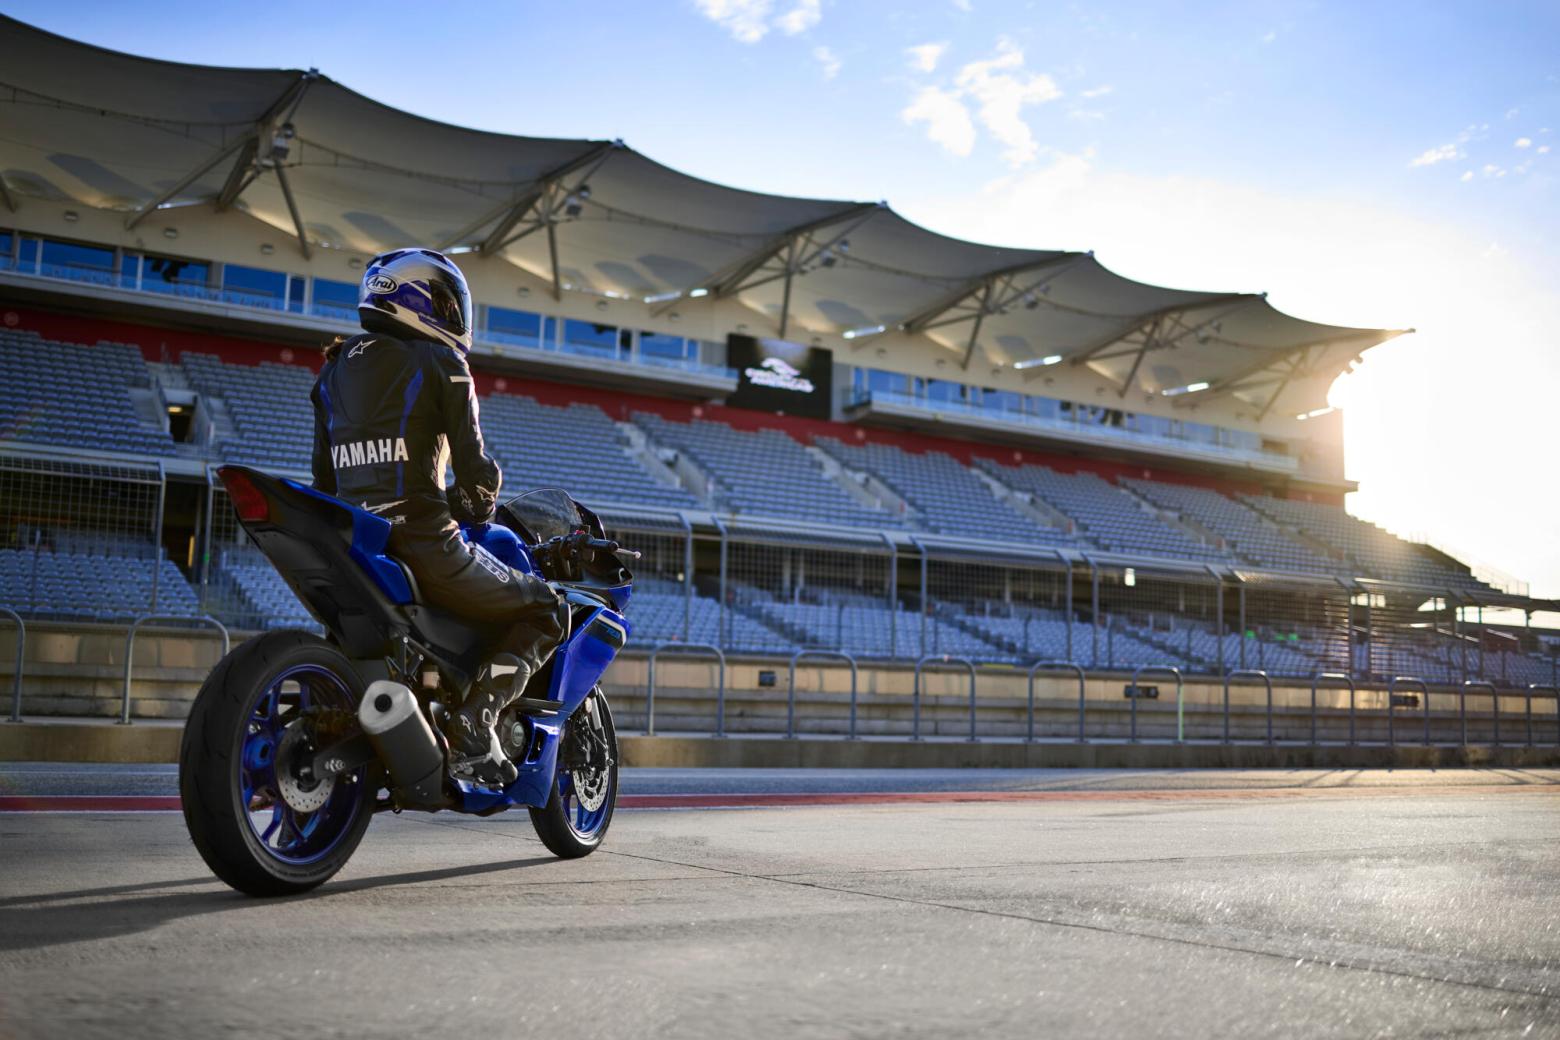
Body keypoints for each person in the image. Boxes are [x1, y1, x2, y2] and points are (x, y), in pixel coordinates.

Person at [308, 247, 566, 784]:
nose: (455, 317)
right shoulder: (444, 363)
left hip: (355, 548)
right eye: (447, 303)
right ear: (420, 299)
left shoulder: (331, 373)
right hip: (425, 545)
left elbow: (325, 483)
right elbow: (476, 472)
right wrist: (477, 501)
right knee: (547, 610)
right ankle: (477, 719)